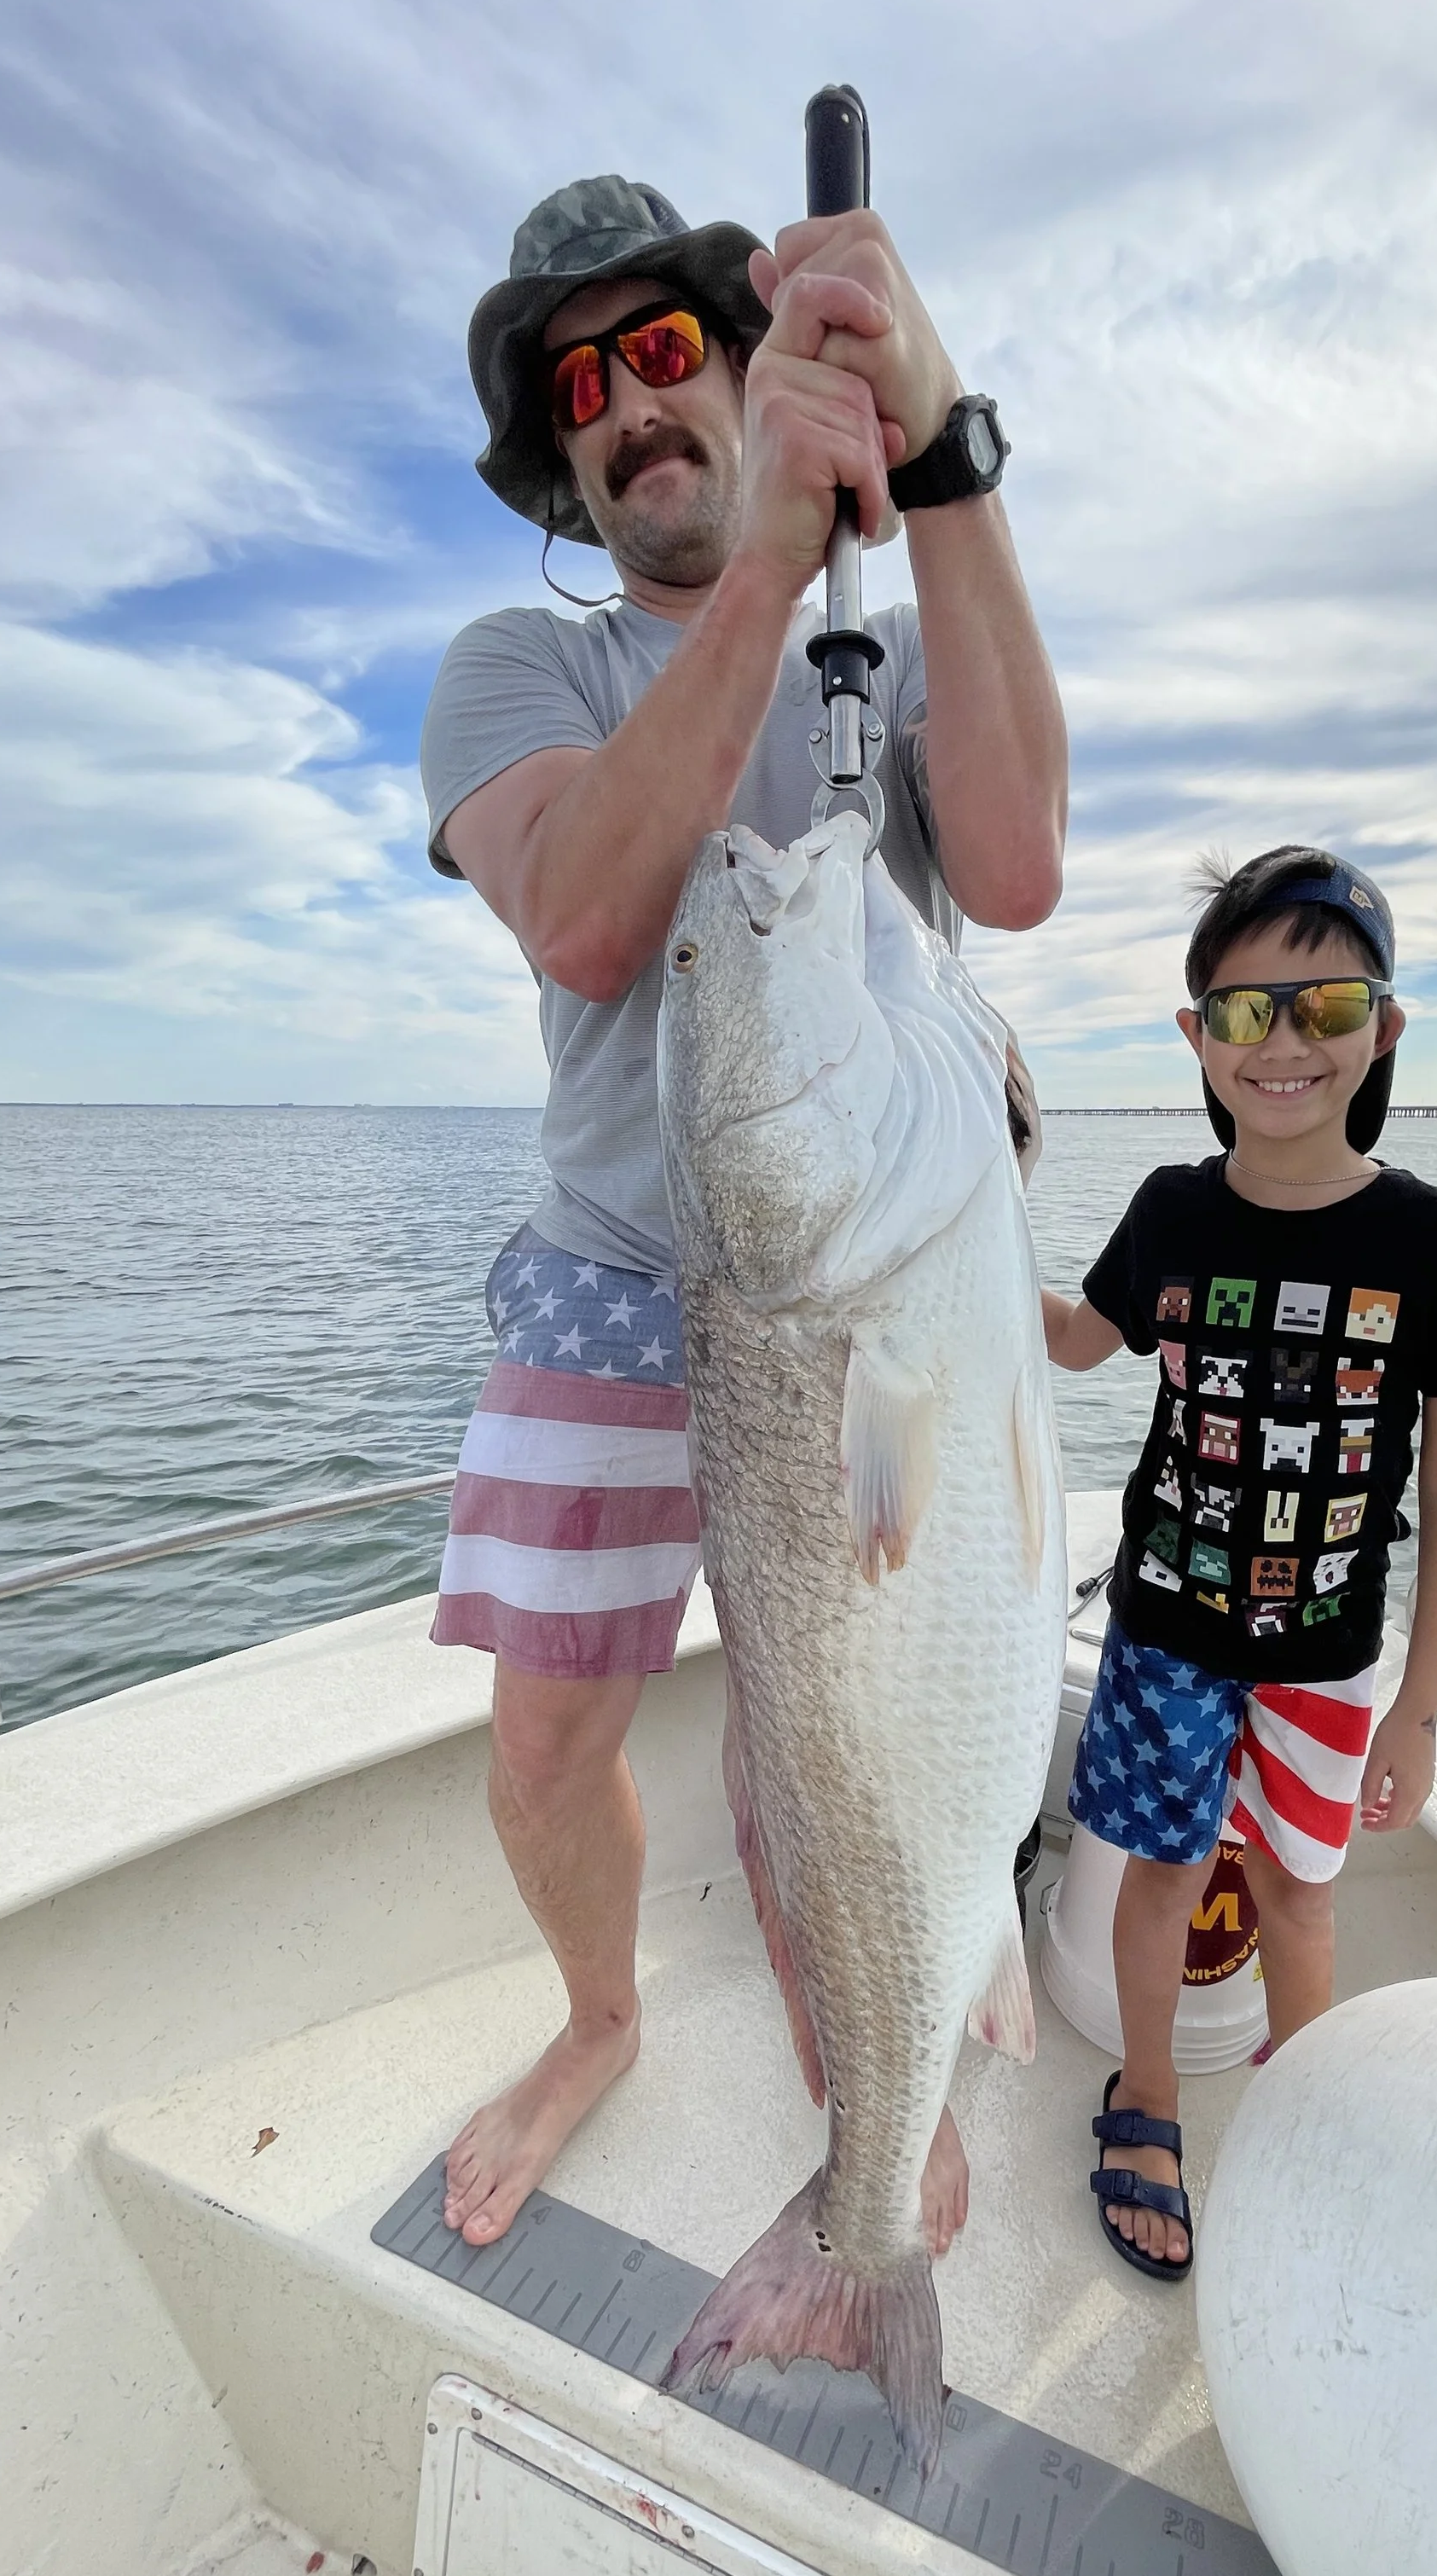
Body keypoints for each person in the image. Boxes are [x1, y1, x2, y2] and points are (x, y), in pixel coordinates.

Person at [422, 172, 1065, 2250]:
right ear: (561, 453)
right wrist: (779, 553)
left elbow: (1018, 858)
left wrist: (935, 439)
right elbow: (600, 916)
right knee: (544, 1741)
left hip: (861, 1270)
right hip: (622, 1274)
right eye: (579, 382)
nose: (624, 403)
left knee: (857, 1722)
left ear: (737, 358)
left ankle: (876, 2086)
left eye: (662, 348)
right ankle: (600, 2015)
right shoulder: (520, 664)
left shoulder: (882, 618)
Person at [1041, 847, 1437, 2278]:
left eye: (1323, 1006)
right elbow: (1077, 1338)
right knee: (1162, 1872)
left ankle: (1303, 2111)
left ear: (1382, 1029)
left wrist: (1422, 1709)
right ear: (1196, 1038)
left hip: (1329, 1655)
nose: (1285, 1044)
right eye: (1247, 1011)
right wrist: (923, 1274)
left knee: (1301, 1896)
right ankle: (1147, 2095)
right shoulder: (1168, 1211)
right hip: (1165, 1628)